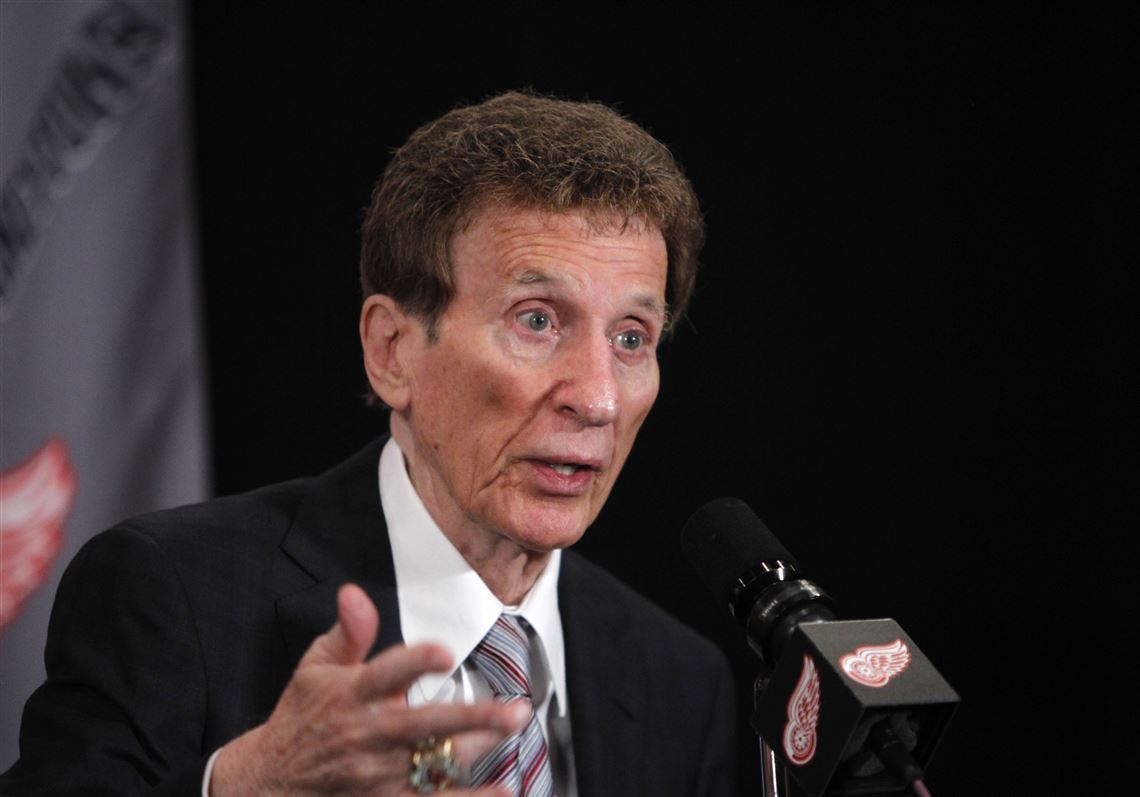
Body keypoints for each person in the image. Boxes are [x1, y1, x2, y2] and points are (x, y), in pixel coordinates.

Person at [1, 91, 737, 796]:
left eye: (631, 338)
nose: (598, 398)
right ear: (391, 351)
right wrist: (244, 789)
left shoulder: (676, 681)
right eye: (537, 320)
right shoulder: (173, 595)